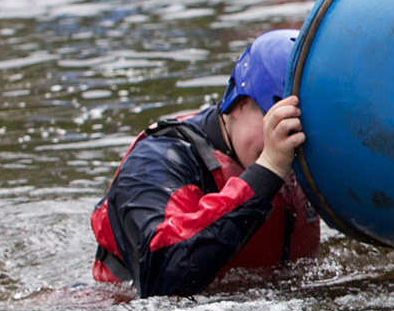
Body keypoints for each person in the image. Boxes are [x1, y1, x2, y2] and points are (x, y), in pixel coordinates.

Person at [91, 30, 321, 297]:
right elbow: (161, 275)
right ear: (238, 105)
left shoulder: (313, 151)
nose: (291, 142)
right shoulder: (157, 161)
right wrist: (267, 170)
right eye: (281, 123)